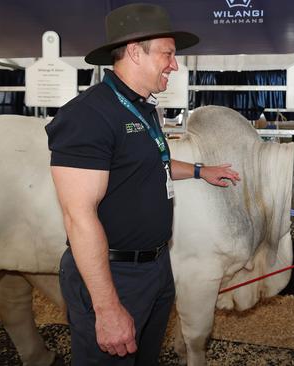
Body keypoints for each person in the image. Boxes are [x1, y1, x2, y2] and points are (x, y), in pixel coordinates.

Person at [45, 4, 240, 365]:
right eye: (167, 53)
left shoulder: (142, 108)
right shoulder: (88, 116)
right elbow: (79, 217)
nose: (174, 64)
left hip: (154, 269)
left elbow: (151, 164)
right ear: (135, 51)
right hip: (113, 275)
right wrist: (107, 308)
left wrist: (200, 171)